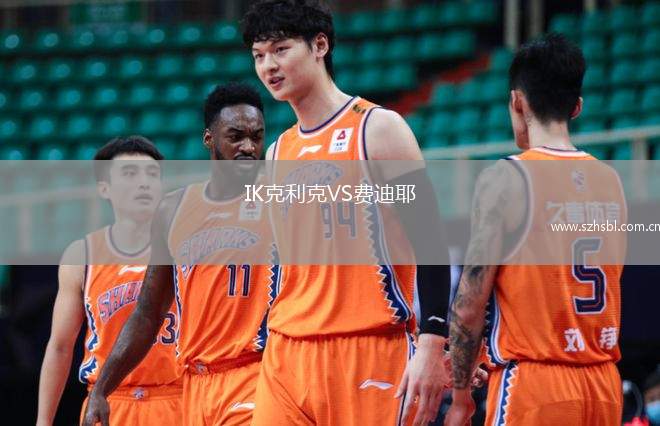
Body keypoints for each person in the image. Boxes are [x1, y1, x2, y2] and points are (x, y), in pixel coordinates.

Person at [242, 1, 455, 424]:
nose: (269, 66)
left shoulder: (378, 129)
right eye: (259, 55)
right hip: (287, 352)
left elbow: (430, 239)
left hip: (368, 347)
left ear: (320, 45)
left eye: (281, 49)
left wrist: (433, 342)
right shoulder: (277, 153)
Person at [446, 33, 627, 425]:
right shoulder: (611, 180)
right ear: (577, 107)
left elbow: (469, 305)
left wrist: (460, 396)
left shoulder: (507, 178)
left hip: (536, 385)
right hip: (603, 386)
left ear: (517, 101)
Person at [82, 82, 276, 426]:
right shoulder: (174, 209)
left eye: (256, 137)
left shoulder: (280, 200)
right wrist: (101, 389)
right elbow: (148, 312)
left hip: (255, 372)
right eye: (235, 137)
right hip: (194, 386)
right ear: (209, 139)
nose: (248, 147)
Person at [37, 136, 183, 426]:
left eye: (152, 175)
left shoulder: (186, 248)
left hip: (179, 398)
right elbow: (61, 346)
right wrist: (43, 421)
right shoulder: (82, 255)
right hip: (109, 403)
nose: (143, 183)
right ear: (105, 188)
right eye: (130, 174)